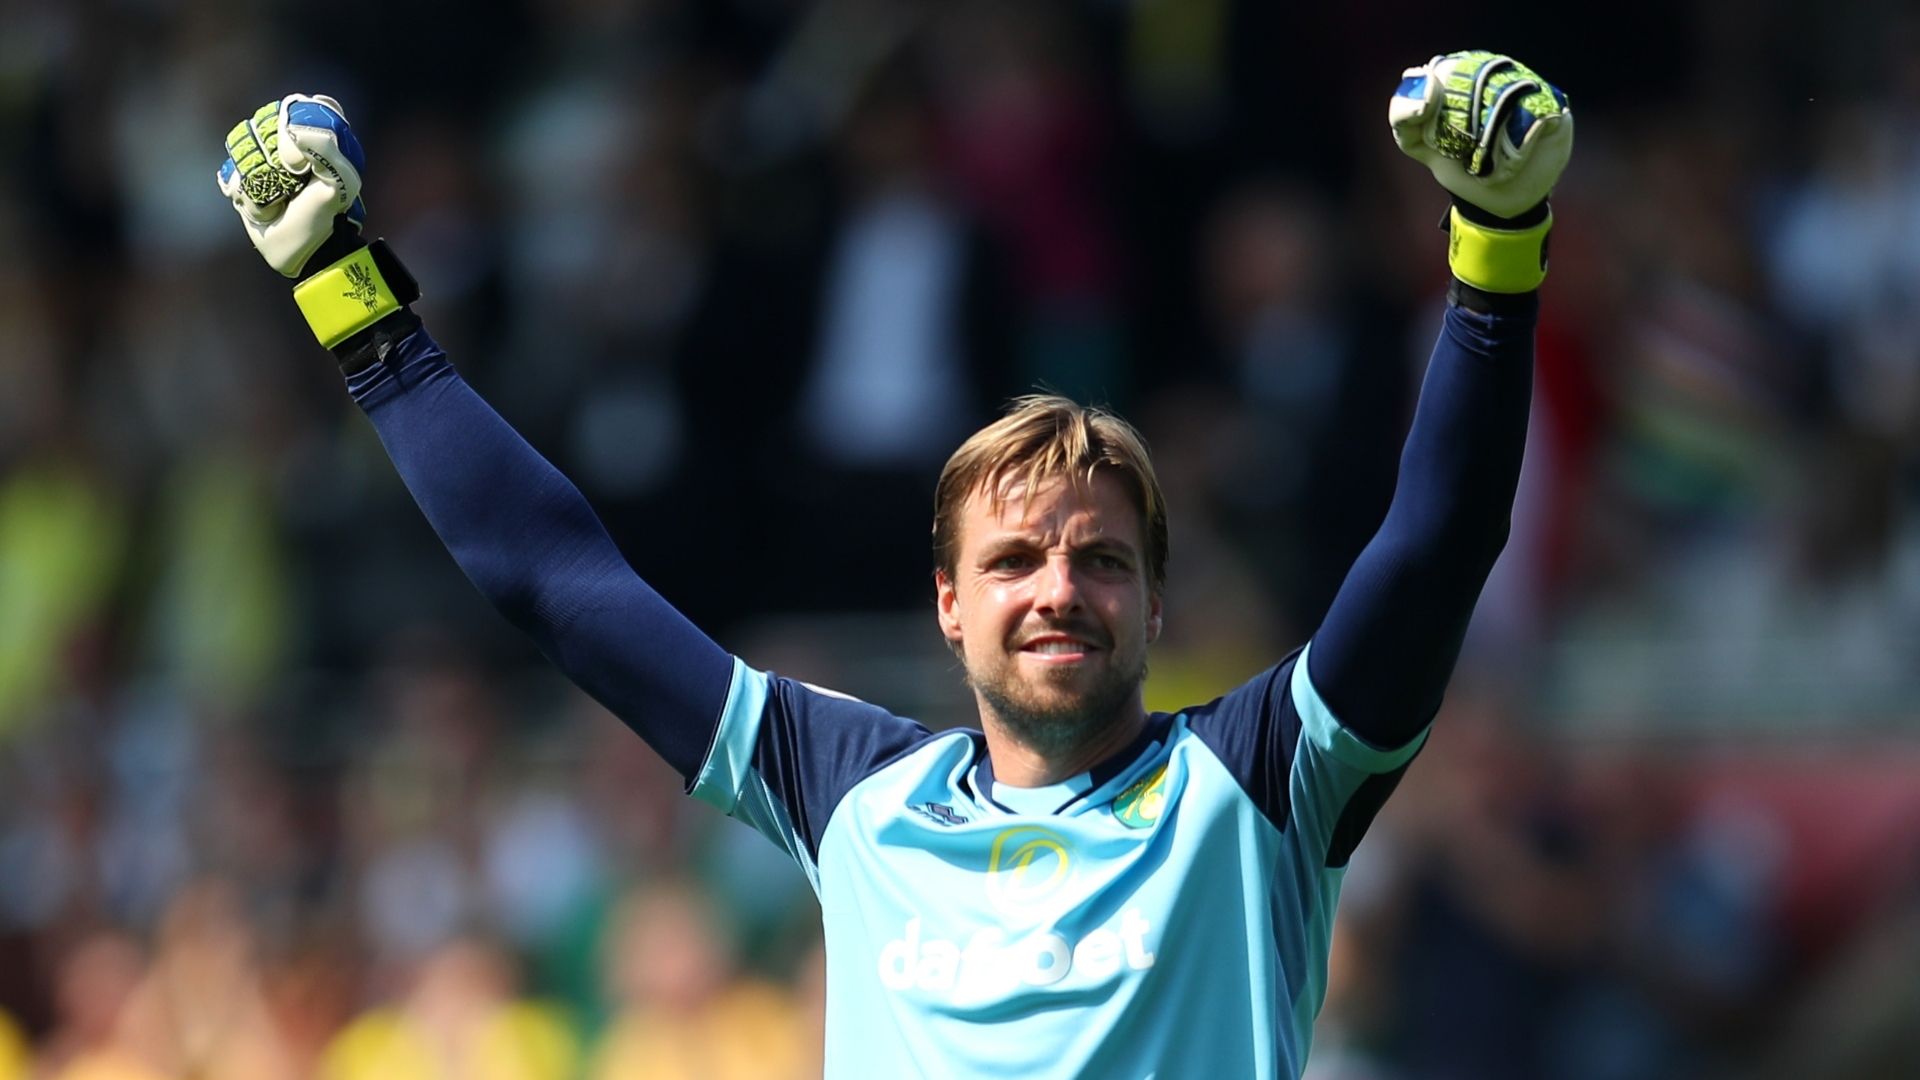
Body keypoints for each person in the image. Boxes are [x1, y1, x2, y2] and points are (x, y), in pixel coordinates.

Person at [214, 50, 1571, 1079]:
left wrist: (1497, 249)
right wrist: (346, 294)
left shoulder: (1261, 785)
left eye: (1101, 559)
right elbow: (556, 580)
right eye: (1015, 559)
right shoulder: (849, 790)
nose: (1057, 588)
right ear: (945, 603)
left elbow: (1437, 543)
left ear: (1158, 601)